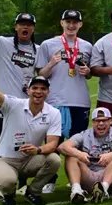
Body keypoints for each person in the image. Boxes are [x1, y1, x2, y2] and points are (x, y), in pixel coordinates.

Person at [0, 57, 60, 205]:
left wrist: (37, 149)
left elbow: (52, 144)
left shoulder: (53, 113)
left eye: (43, 89)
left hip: (29, 159)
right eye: (35, 88)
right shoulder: (12, 104)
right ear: (28, 90)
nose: (39, 92)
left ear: (48, 92)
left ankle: (33, 191)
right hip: (6, 159)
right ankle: (9, 193)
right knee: (7, 182)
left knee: (54, 160)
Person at [37, 10, 92, 152]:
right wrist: (51, 64)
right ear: (62, 23)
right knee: (52, 146)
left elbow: (90, 73)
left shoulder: (87, 46)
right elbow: (41, 75)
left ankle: (78, 175)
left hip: (80, 102)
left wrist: (88, 72)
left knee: (78, 148)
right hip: (55, 102)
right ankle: (49, 174)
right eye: (68, 22)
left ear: (80, 24)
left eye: (75, 22)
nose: (71, 25)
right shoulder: (48, 45)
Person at [58, 107, 112, 204]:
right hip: (88, 175)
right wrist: (80, 154)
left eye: (104, 120)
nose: (101, 124)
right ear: (93, 122)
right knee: (71, 155)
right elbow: (62, 147)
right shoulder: (84, 135)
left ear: (110, 121)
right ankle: (76, 191)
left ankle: (103, 189)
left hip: (108, 176)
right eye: (97, 121)